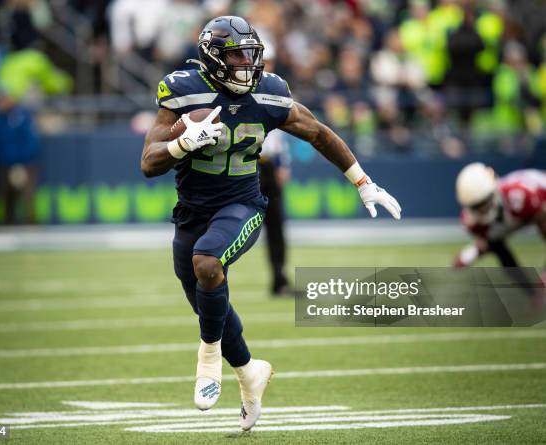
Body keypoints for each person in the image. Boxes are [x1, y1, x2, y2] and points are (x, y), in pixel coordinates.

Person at [140, 16, 401, 431]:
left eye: (250, 55)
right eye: (237, 56)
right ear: (212, 58)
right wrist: (180, 143)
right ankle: (249, 373)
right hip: (191, 211)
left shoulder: (270, 93)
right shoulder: (183, 90)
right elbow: (149, 161)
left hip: (242, 204)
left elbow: (318, 133)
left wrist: (362, 181)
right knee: (209, 299)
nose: (247, 64)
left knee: (207, 262)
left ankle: (208, 359)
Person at [453, 163, 546, 268]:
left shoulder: (519, 197)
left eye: (483, 202)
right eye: (475, 206)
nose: (481, 210)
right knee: (495, 242)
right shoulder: (471, 221)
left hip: (542, 200)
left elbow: (543, 217)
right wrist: (469, 255)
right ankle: (521, 281)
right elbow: (488, 242)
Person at [0, 92, 39, 225]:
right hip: (3, 164)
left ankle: (31, 225)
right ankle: (7, 224)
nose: (2, 103)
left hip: (24, 164)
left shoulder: (23, 116)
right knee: (5, 196)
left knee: (27, 196)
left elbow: (30, 141)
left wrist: (21, 162)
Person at [259, 129, 291, 295]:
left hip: (269, 167)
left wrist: (282, 164)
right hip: (246, 166)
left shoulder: (272, 105)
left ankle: (279, 279)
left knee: (276, 227)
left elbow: (278, 137)